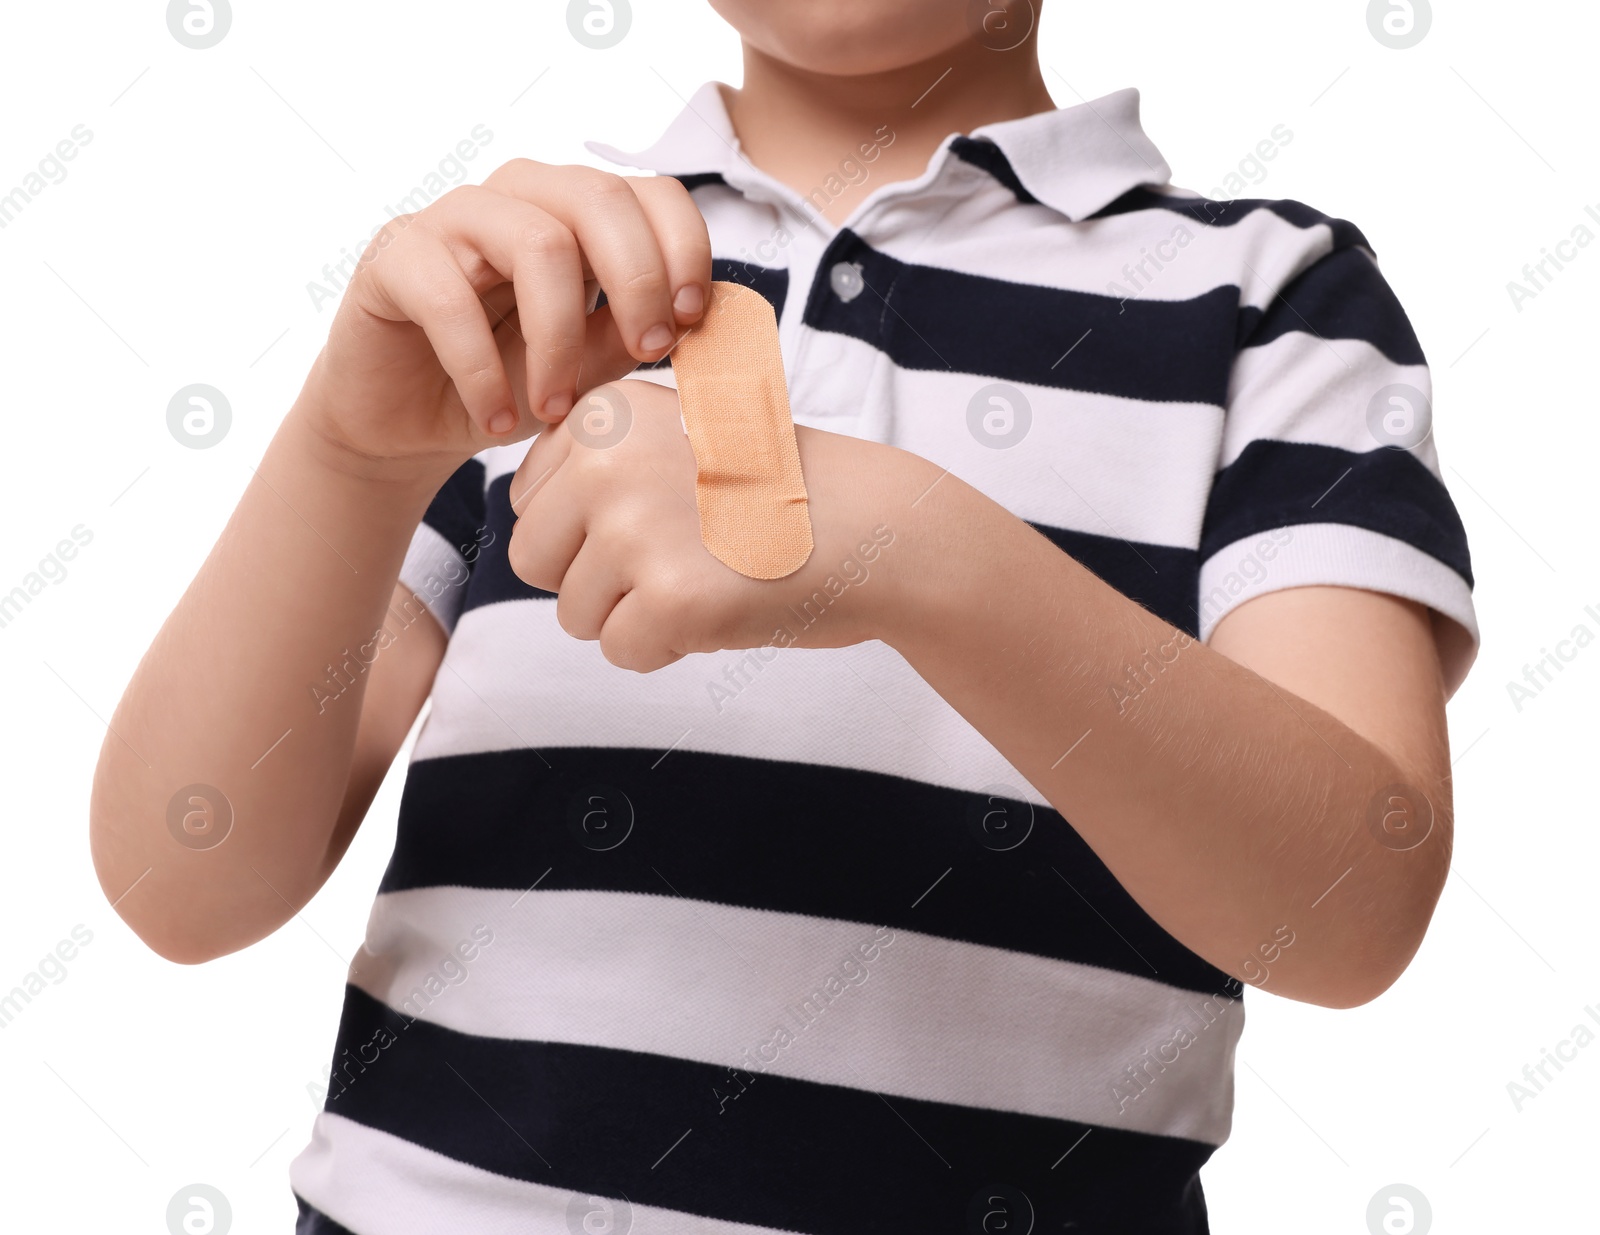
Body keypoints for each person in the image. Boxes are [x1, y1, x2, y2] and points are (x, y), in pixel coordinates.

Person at [90, 1, 1477, 1230]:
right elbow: (184, 883)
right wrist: (350, 455)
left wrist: (915, 550)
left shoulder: (1267, 312)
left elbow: (1352, 912)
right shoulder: (528, 285)